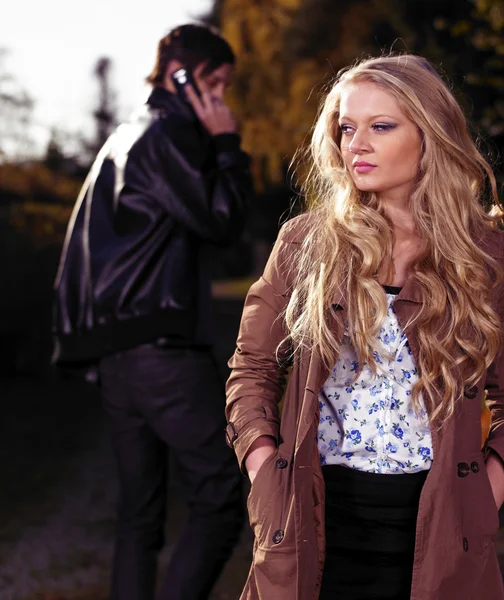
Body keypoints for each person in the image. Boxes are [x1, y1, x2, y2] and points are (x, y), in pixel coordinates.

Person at [224, 54, 504, 600]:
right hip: (315, 522)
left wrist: (481, 497)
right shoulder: (305, 243)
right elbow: (250, 371)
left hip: (441, 529)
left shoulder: (486, 256)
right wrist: (265, 475)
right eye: (347, 128)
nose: (357, 144)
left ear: (430, 134)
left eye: (381, 126)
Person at [53, 23, 251, 600]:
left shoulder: (123, 137)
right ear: (180, 76)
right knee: (218, 499)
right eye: (217, 84)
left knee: (139, 517)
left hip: (118, 356)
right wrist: (226, 143)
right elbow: (223, 221)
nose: (223, 100)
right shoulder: (170, 135)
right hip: (164, 354)